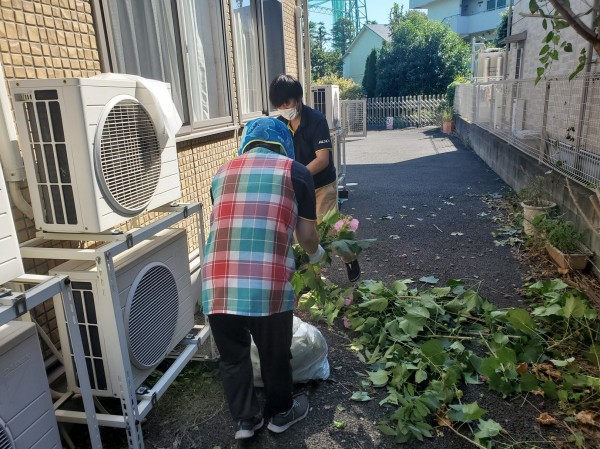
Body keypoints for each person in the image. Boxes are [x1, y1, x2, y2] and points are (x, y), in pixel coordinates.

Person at [201, 117, 325, 440]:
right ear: (285, 144)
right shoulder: (296, 172)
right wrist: (317, 255)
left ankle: (246, 421)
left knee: (233, 358)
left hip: (217, 282)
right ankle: (280, 413)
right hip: (266, 285)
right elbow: (307, 237)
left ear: (247, 142)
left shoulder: (221, 172)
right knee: (274, 355)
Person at [269, 74, 360, 282]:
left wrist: (297, 175)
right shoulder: (279, 125)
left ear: (298, 99)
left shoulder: (316, 120)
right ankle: (312, 279)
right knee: (302, 235)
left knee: (329, 229)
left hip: (322, 185)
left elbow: (323, 160)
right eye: (279, 106)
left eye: (286, 103)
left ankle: (350, 257)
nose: (283, 108)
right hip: (297, 187)